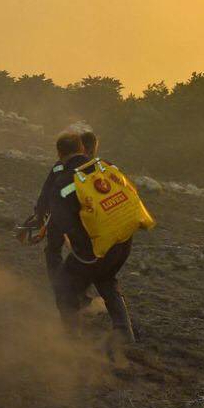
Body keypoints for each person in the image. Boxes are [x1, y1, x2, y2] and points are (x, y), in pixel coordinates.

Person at [46, 132, 136, 344]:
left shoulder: (65, 181)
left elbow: (61, 223)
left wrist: (63, 246)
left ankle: (71, 339)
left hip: (94, 248)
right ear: (83, 148)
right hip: (123, 242)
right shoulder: (107, 167)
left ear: (59, 153)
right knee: (106, 279)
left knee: (64, 287)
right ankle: (124, 332)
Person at [31, 132, 86, 283]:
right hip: (91, 218)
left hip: (62, 216)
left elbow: (47, 192)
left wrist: (40, 216)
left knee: (54, 250)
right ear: (82, 148)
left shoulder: (59, 167)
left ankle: (59, 285)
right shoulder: (94, 166)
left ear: (59, 152)